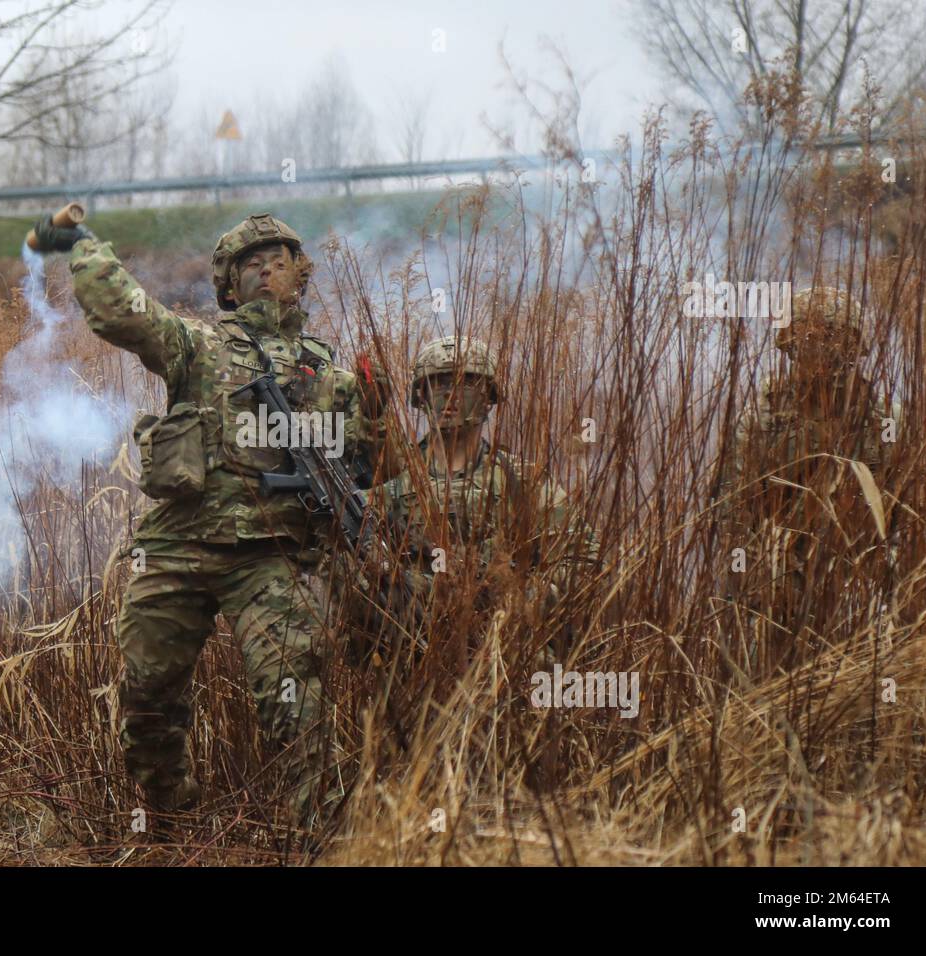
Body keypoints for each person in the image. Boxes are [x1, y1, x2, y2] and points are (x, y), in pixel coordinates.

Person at [30, 210, 386, 827]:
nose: (268, 269)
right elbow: (125, 312)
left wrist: (376, 419)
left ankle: (327, 838)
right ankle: (171, 816)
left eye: (280, 259)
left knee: (294, 703)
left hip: (274, 556)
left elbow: (365, 471)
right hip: (178, 546)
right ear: (228, 284)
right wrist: (82, 246)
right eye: (252, 262)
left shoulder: (333, 374)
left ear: (300, 275)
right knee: (147, 694)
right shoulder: (198, 343)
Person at [347, 335, 599, 671]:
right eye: (436, 384)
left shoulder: (520, 480)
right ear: (420, 397)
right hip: (412, 658)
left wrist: (520, 601)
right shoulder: (396, 476)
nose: (449, 396)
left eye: (465, 383)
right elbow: (347, 551)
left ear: (488, 398)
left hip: (505, 657)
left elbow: (584, 559)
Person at [720, 285, 899, 672]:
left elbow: (910, 509)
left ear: (853, 349)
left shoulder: (883, 419)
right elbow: (732, 510)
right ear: (791, 346)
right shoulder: (764, 418)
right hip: (779, 577)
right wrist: (754, 577)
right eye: (809, 340)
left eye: (833, 340)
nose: (821, 354)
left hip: (860, 579)